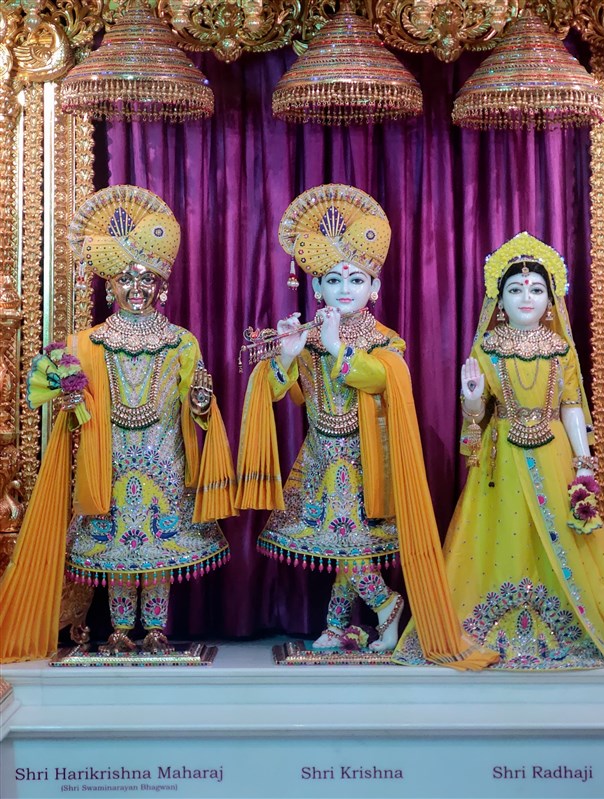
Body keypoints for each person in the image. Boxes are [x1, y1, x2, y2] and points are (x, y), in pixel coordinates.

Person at [394, 232, 604, 669]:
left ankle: (569, 628)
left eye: (536, 290)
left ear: (551, 300)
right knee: (500, 534)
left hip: (554, 454)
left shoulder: (560, 349)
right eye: (515, 290)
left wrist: (583, 464)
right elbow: (476, 415)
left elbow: (571, 407)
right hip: (502, 459)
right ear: (499, 300)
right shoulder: (488, 349)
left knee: (566, 535)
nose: (526, 298)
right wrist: (471, 397)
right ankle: (490, 628)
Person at [236, 183, 496, 669]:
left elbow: (380, 379)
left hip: (367, 458)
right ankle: (339, 624)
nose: (345, 289)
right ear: (316, 289)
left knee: (350, 537)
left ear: (374, 288)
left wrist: (338, 346)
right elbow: (276, 394)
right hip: (320, 455)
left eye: (356, 279)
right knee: (341, 539)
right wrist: (285, 358)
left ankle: (385, 605)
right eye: (333, 280)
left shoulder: (384, 340)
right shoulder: (308, 337)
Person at [0, 185, 237, 661]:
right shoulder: (86, 343)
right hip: (108, 461)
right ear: (109, 285)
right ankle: (121, 629)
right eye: (125, 279)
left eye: (146, 279)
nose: (136, 289)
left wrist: (201, 404)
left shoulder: (181, 342)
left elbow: (197, 404)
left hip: (165, 460)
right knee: (116, 547)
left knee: (158, 545)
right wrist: (71, 400)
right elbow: (69, 410)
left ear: (161, 285)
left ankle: (157, 630)